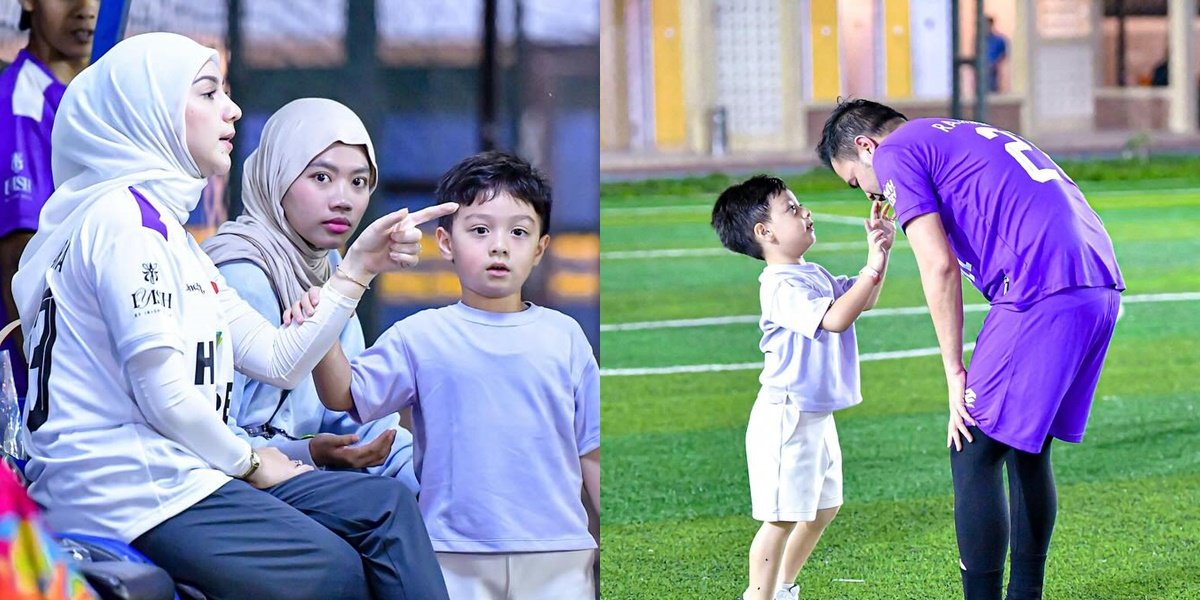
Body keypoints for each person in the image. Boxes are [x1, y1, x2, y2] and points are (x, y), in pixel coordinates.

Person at [10, 32, 456, 600]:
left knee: (384, 507)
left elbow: (279, 359)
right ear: (150, 113)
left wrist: (357, 271)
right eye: (207, 93)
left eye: (358, 181)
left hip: (179, 473)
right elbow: (164, 395)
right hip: (128, 490)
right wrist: (252, 463)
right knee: (328, 570)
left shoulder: (168, 232)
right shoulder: (126, 225)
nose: (233, 108)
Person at [818, 99, 1124, 600]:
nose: (870, 194)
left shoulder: (895, 153)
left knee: (972, 449)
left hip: (1041, 288)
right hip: (1098, 282)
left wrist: (954, 372)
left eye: (856, 181)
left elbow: (937, 266)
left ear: (866, 146)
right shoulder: (956, 133)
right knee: (1027, 448)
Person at [293, 151, 600, 600]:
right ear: (445, 242)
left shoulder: (566, 336)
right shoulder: (419, 335)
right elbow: (343, 395)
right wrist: (320, 326)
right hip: (450, 554)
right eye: (480, 230)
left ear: (540, 248)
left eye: (518, 232)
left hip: (559, 555)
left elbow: (590, 447)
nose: (499, 245)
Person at [201, 98, 417, 493]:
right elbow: (209, 435)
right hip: (231, 488)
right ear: (276, 176)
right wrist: (309, 453)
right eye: (321, 177)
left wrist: (444, 477)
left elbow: (361, 420)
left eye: (359, 182)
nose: (343, 199)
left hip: (300, 477)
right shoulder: (239, 275)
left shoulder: (332, 269)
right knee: (384, 510)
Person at [710, 176, 893, 600]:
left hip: (814, 414)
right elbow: (834, 318)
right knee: (779, 519)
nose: (805, 212)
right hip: (787, 417)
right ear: (765, 232)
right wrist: (870, 268)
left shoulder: (809, 272)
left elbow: (862, 301)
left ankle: (784, 587)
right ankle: (760, 595)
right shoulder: (779, 285)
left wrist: (879, 254)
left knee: (823, 508)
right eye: (792, 209)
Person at [0, 0, 98, 400]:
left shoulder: (100, 98)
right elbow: (16, 257)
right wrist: (48, 389)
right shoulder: (20, 103)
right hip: (41, 386)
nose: (85, 8)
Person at [984, 16, 1007, 93]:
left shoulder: (999, 40)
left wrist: (994, 64)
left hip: (993, 71)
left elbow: (1003, 54)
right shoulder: (980, 41)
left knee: (993, 89)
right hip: (982, 70)